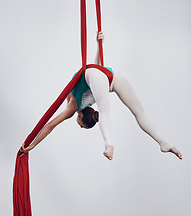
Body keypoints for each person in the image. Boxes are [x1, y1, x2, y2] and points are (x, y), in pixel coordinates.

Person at [20, 32, 182, 161]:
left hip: (106, 76)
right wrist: (33, 145)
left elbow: (97, 71)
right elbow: (50, 125)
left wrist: (100, 45)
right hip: (105, 75)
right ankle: (111, 144)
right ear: (82, 115)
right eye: (81, 125)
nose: (78, 124)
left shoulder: (87, 100)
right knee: (121, 111)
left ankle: (162, 142)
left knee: (137, 112)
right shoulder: (74, 107)